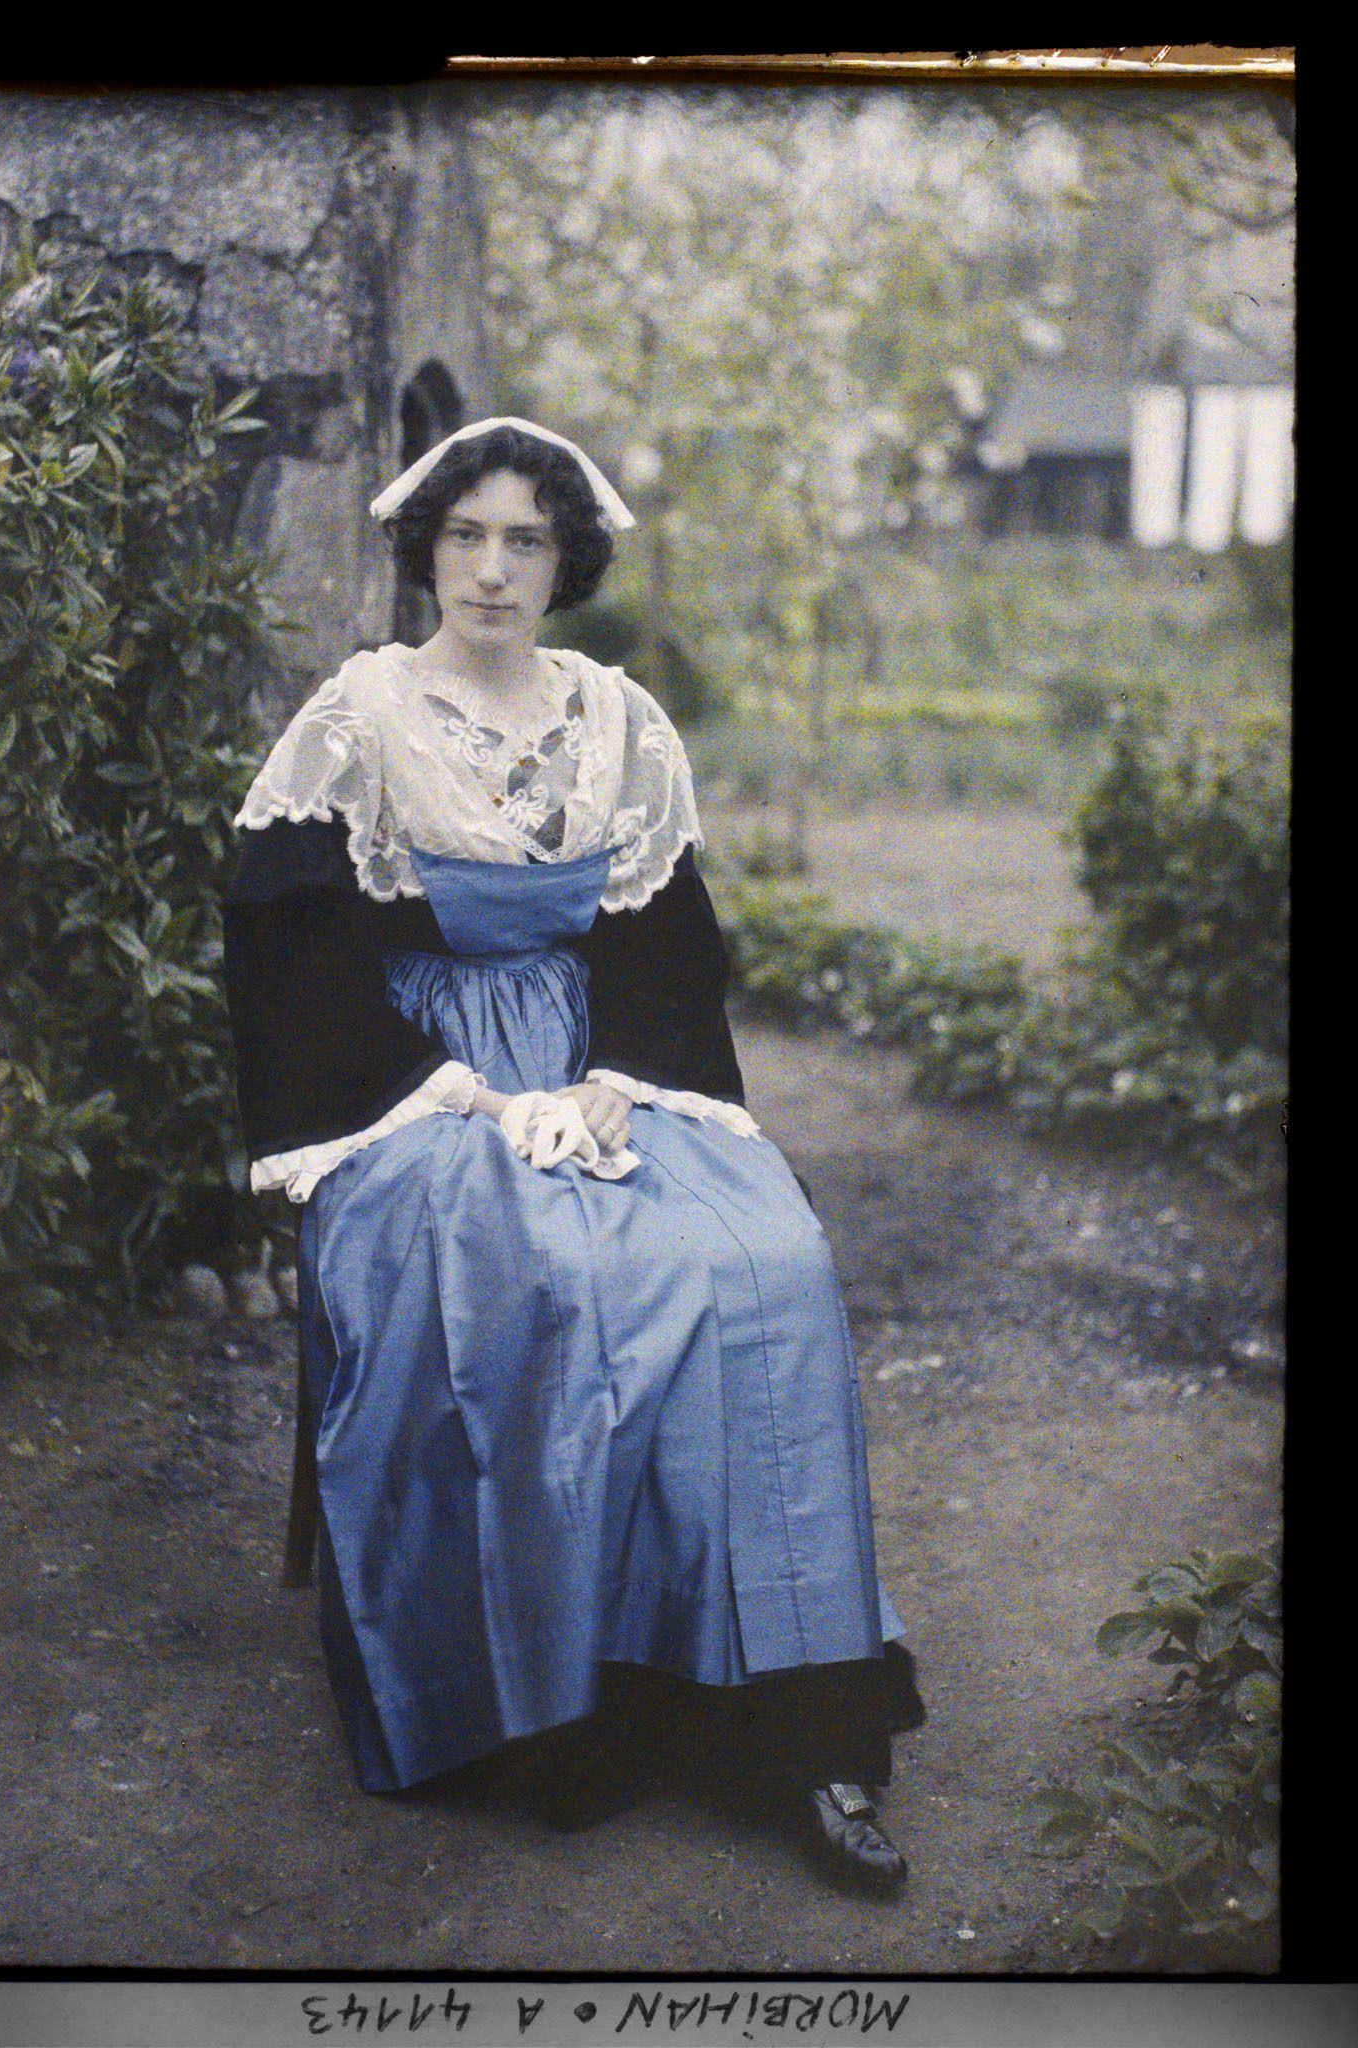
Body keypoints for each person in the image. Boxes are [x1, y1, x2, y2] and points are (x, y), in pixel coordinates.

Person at [222, 417, 924, 1896]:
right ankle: (555, 1697)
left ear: (565, 563)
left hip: (602, 1065)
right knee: (543, 1264)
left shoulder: (620, 721)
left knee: (766, 1259)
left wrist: (618, 1081)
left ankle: (801, 1717)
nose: (491, 570)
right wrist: (465, 1099)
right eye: (466, 536)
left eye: (525, 542)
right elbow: (292, 956)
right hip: (416, 1090)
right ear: (426, 552)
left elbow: (666, 947)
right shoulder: (356, 718)